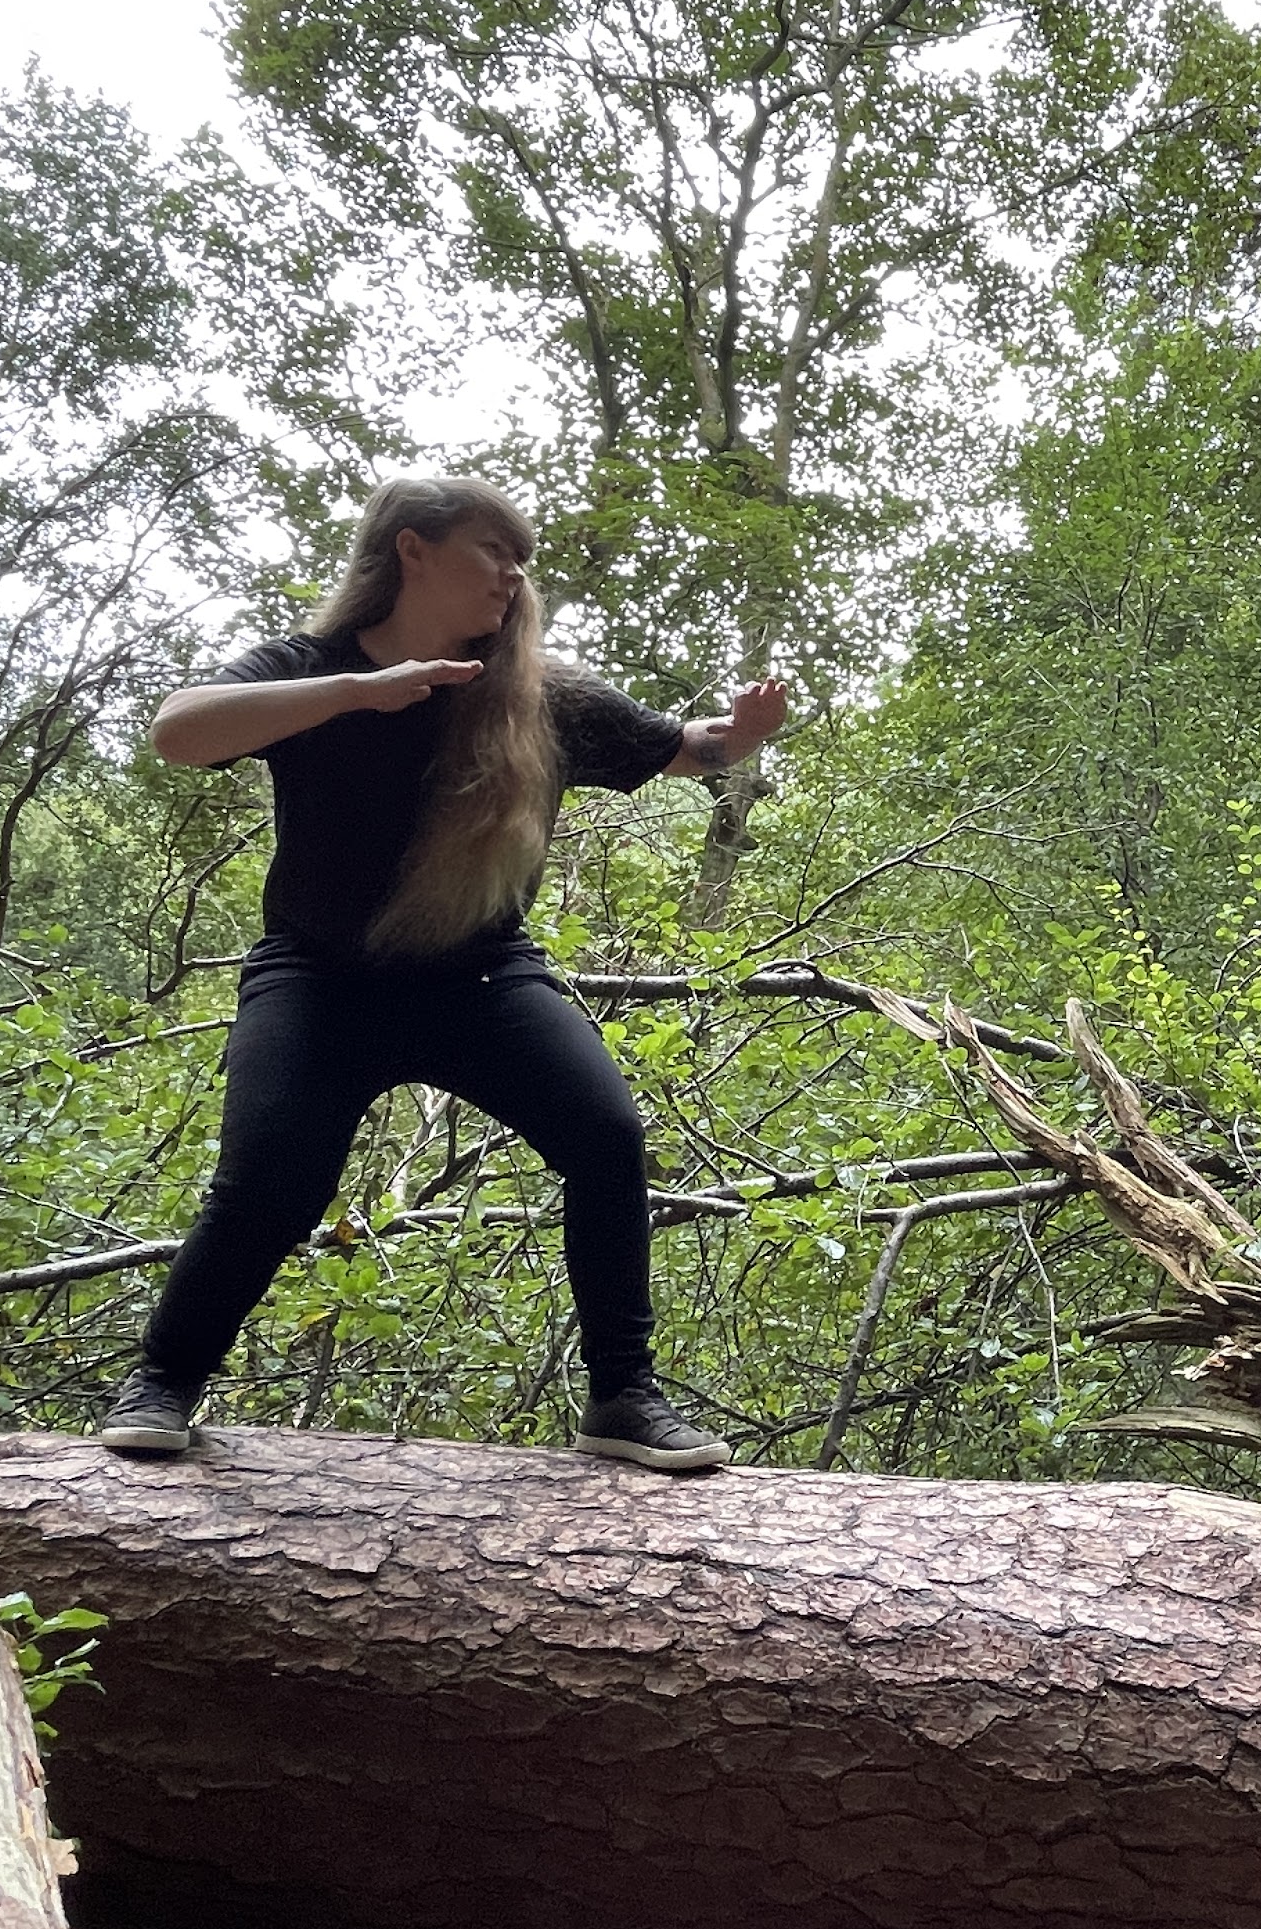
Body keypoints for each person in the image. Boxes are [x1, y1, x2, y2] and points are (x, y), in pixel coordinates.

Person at [96, 476, 786, 1471]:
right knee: (271, 1181)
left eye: (522, 560)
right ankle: (162, 1385)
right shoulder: (310, 668)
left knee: (605, 1139)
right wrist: (357, 694)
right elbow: (179, 731)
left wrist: (745, 733)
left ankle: (621, 1403)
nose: (512, 575)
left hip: (482, 982)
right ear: (411, 551)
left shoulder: (541, 697)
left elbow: (692, 748)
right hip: (319, 982)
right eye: (490, 552)